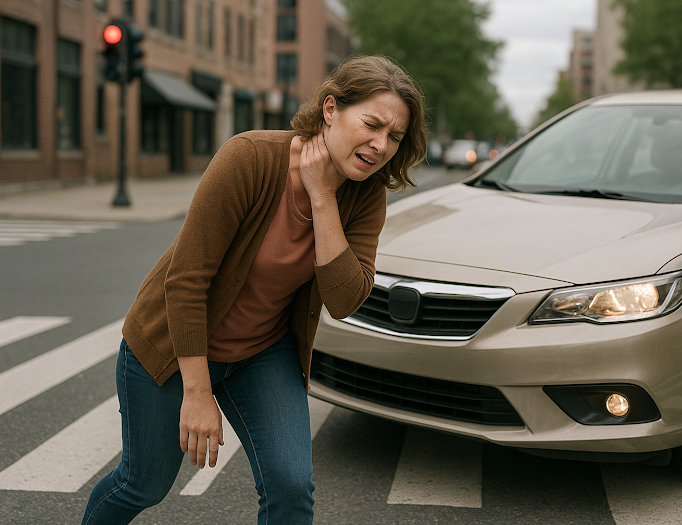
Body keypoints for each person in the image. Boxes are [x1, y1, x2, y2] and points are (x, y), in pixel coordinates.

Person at [81, 55, 427, 525]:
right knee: (143, 483)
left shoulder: (365, 193)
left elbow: (345, 300)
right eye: (372, 124)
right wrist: (198, 393)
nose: (381, 144)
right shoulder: (249, 158)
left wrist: (323, 197)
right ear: (330, 109)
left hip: (261, 352)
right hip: (172, 347)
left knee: (291, 485)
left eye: (395, 136)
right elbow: (185, 281)